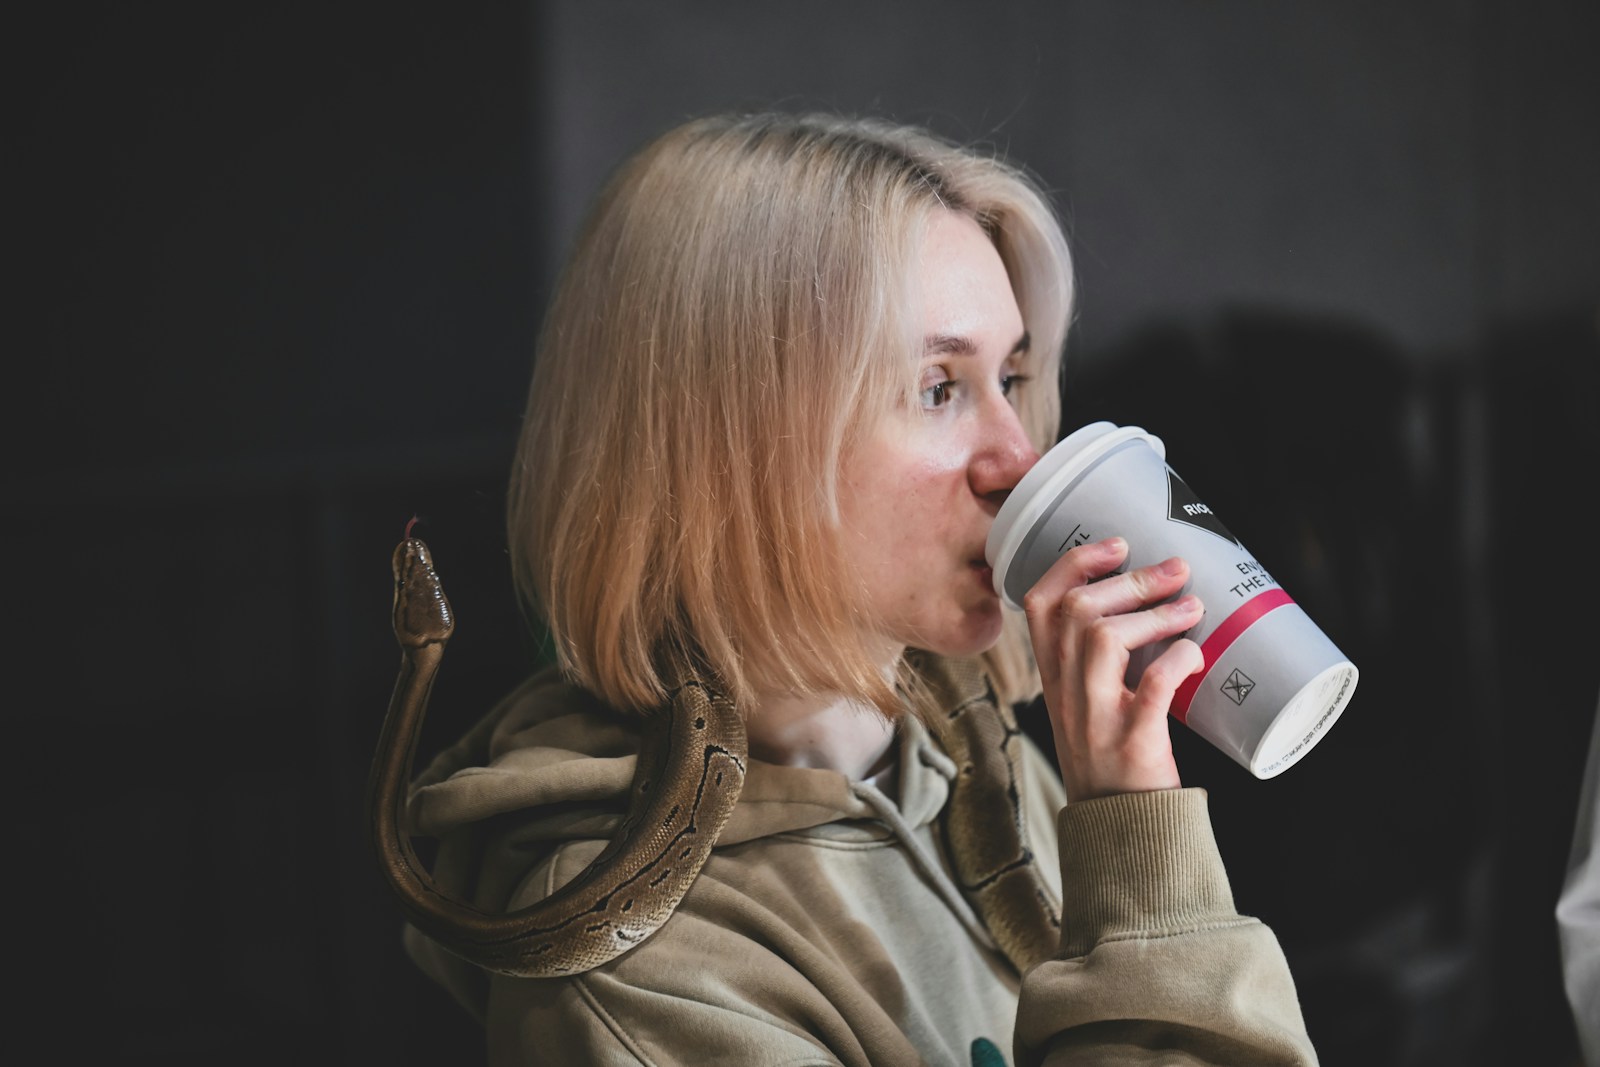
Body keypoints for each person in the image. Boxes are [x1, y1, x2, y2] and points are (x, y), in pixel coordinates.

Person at [388, 110, 1318, 1066]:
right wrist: (1147, 879)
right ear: (729, 444)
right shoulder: (638, 981)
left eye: (1011, 376)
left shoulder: (972, 762)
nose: (1018, 457)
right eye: (937, 387)